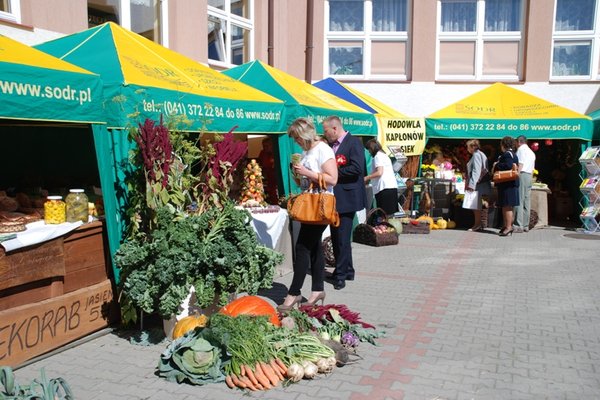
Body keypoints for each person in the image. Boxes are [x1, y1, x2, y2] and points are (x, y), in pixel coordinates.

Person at [278, 118, 338, 311]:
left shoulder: (323, 149)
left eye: (297, 138)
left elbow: (332, 179)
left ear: (304, 135)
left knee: (302, 247)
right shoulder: (306, 151)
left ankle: (294, 292)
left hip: (319, 206)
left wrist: (307, 171)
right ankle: (317, 290)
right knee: (314, 248)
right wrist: (299, 174)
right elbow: (305, 182)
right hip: (310, 205)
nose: (296, 142)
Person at [322, 115, 367, 290]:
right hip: (337, 197)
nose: (324, 134)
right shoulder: (330, 146)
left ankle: (340, 275)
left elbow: (357, 168)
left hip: (347, 198)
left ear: (335, 128)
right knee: (339, 236)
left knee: (340, 236)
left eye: (325, 131)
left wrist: (333, 173)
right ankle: (348, 270)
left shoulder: (353, 142)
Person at [493, 136, 520, 237]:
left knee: (507, 206)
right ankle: (507, 226)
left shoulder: (508, 154)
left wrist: (497, 165)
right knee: (506, 206)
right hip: (510, 184)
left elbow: (508, 165)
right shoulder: (512, 154)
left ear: (503, 144)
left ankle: (509, 227)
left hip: (508, 184)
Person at [463, 139, 492, 231]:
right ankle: (478, 224)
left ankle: (477, 225)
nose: (467, 149)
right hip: (481, 183)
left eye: (468, 147)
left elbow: (476, 170)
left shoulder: (476, 155)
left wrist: (472, 184)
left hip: (478, 184)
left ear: (472, 147)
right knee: (477, 205)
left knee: (475, 205)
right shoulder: (481, 154)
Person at [364, 139, 399, 215]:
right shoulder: (384, 155)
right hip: (391, 187)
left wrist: (367, 177)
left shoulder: (378, 156)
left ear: (372, 148)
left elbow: (379, 172)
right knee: (388, 215)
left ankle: (383, 226)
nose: (369, 152)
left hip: (384, 188)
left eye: (369, 150)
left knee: (383, 214)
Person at [513, 135, 536, 233]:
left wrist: (516, 175)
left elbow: (520, 164)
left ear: (518, 142)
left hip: (522, 174)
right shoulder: (531, 152)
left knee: (519, 199)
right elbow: (532, 168)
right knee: (527, 200)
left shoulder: (521, 150)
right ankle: (526, 225)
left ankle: (518, 225)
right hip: (529, 176)